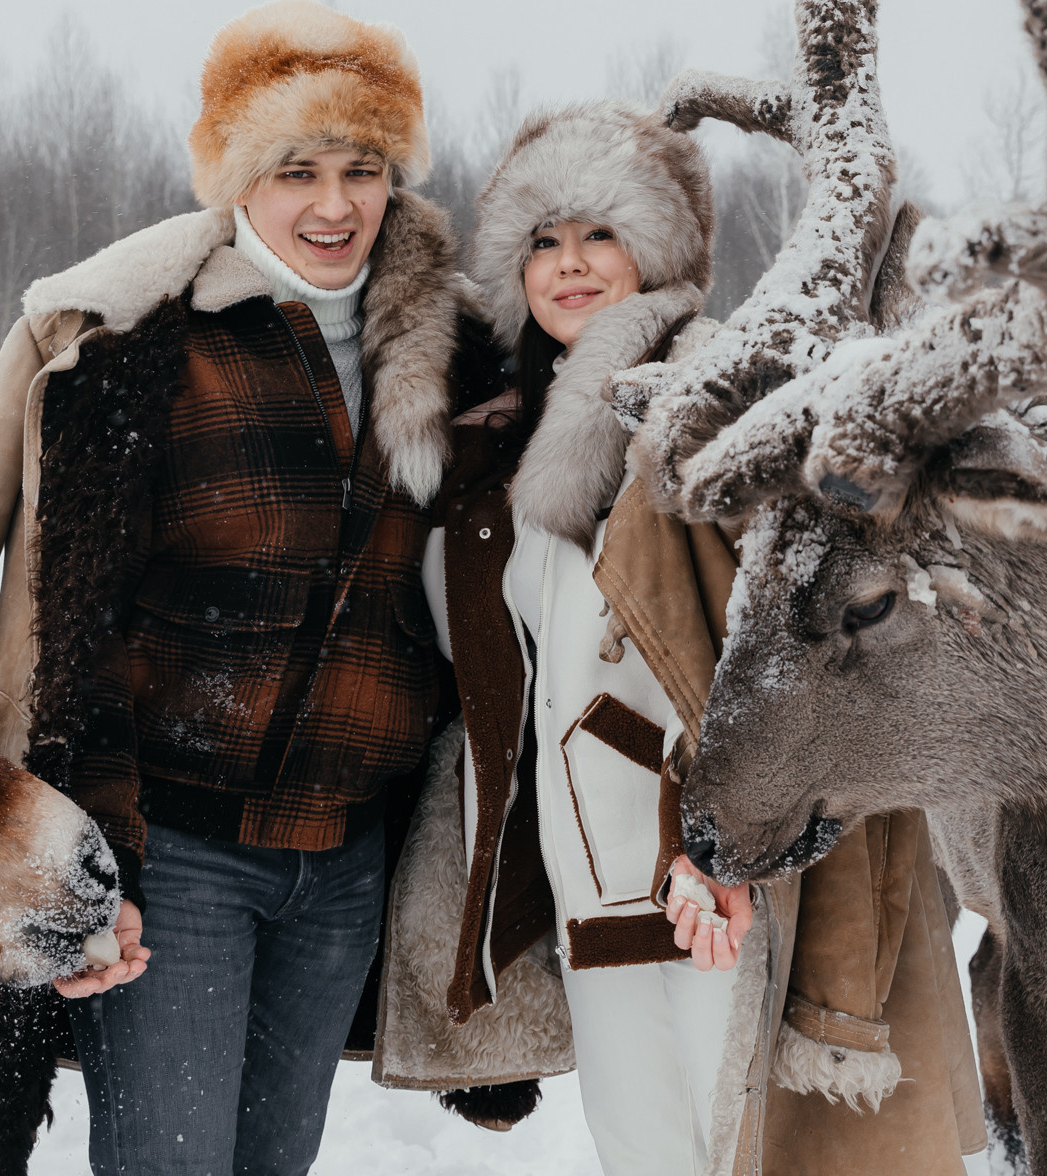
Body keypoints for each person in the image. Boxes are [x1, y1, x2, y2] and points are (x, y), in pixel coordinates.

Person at [0, 0, 476, 1176]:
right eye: (297, 170)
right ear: (239, 180)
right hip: (175, 850)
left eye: (362, 168)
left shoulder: (452, 350)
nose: (335, 205)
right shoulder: (128, 337)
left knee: (271, 1163)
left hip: (345, 860)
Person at [369, 102, 984, 1176]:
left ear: (657, 254)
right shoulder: (503, 446)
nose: (569, 264)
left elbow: (799, 651)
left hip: (715, 877)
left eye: (600, 234)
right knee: (645, 1155)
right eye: (544, 241)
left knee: (746, 1153)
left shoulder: (727, 410)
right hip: (587, 886)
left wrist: (716, 847)